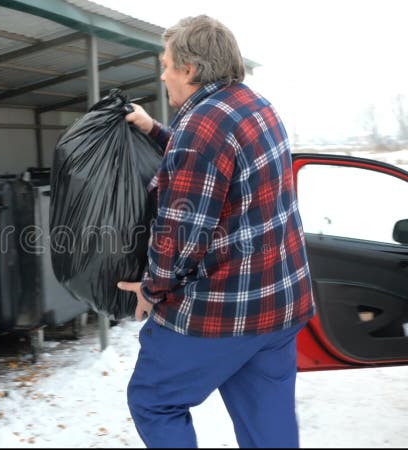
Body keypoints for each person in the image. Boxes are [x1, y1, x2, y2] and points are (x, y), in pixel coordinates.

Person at [116, 15, 315, 448]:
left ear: (189, 69)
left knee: (153, 400)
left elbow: (180, 237)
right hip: (280, 307)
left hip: (224, 314)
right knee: (268, 429)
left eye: (166, 64)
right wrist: (154, 130)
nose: (163, 74)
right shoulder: (257, 106)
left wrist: (150, 289)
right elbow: (218, 161)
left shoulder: (200, 127)